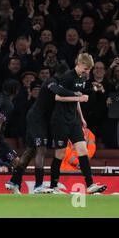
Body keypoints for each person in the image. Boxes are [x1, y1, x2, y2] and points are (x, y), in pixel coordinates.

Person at [6, 63, 88, 194]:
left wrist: (80, 115)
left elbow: (71, 99)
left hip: (43, 120)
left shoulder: (63, 83)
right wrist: (76, 94)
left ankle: (14, 181)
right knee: (41, 150)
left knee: (30, 151)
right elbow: (59, 92)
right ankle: (38, 185)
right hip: (36, 118)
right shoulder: (51, 82)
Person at [49, 53, 107, 194]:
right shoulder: (68, 76)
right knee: (60, 153)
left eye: (89, 70)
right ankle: (53, 186)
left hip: (73, 119)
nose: (87, 72)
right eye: (86, 69)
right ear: (79, 64)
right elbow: (58, 97)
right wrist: (78, 98)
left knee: (83, 150)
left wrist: (81, 117)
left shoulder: (82, 78)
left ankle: (90, 184)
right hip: (60, 120)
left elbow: (76, 98)